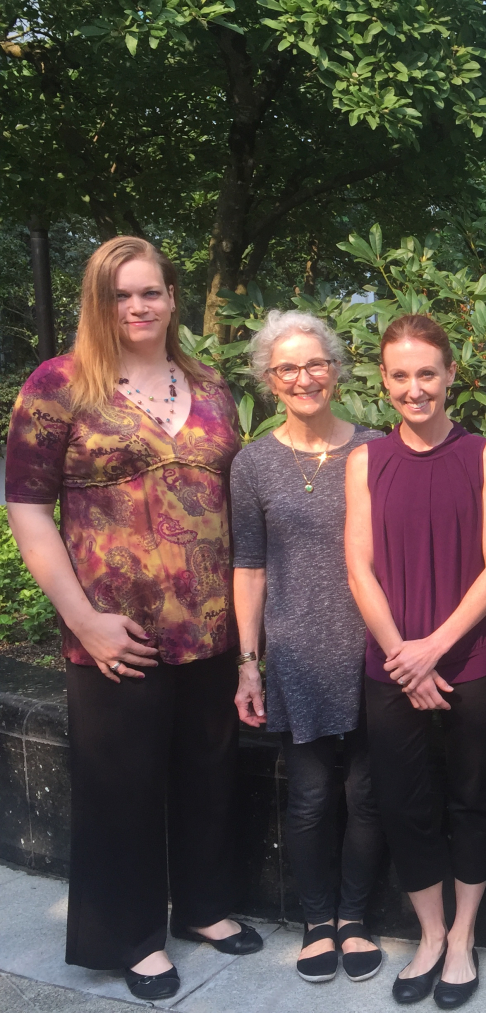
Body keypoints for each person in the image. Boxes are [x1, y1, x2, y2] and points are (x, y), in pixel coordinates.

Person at [4, 236, 261, 1002]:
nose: (138, 306)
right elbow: (27, 507)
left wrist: (250, 640)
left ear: (173, 297)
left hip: (210, 628)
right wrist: (83, 619)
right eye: (121, 294)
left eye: (150, 291)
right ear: (98, 302)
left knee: (208, 775)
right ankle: (129, 935)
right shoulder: (58, 386)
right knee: (121, 785)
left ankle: (206, 908)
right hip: (115, 634)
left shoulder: (210, 386)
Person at [345, 313, 486, 1008]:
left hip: (470, 658)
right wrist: (400, 656)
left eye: (427, 373)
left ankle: (465, 937)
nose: (415, 388)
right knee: (405, 805)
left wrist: (434, 648)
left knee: (471, 799)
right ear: (383, 381)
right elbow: (357, 564)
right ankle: (431, 933)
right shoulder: (364, 459)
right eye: (400, 375)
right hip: (389, 662)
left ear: (449, 376)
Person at [230, 310, 386, 983]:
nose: (304, 377)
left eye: (315, 362)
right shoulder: (253, 463)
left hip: (373, 651)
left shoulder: (379, 449)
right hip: (294, 652)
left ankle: (354, 919)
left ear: (336, 367)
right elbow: (249, 566)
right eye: (288, 367)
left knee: (368, 794)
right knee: (311, 797)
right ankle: (316, 922)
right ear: (269, 380)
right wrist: (247, 661)